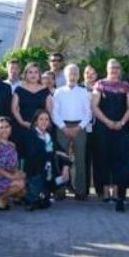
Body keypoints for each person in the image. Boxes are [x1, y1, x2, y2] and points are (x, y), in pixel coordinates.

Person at [91, 59, 129, 203]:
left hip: (121, 128)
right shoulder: (100, 84)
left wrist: (122, 122)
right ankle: (104, 193)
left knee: (119, 160)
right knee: (102, 159)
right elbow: (95, 106)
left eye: (116, 67)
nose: (114, 70)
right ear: (107, 69)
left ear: (120, 69)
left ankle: (118, 193)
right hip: (103, 128)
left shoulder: (125, 86)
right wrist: (108, 122)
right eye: (111, 67)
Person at [51, 64, 93, 199]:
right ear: (65, 74)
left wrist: (79, 127)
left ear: (79, 75)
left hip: (79, 127)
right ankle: (60, 190)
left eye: (75, 73)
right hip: (62, 126)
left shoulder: (83, 92)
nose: (73, 75)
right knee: (61, 159)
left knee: (80, 159)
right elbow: (54, 113)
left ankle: (81, 191)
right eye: (70, 72)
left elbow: (89, 113)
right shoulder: (58, 92)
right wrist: (63, 127)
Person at [23, 109, 71, 210]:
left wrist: (66, 167)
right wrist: (53, 152)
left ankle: (46, 191)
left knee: (44, 202)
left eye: (46, 119)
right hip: (36, 173)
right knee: (36, 202)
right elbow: (34, 155)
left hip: (49, 174)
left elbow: (63, 152)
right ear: (35, 121)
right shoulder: (30, 135)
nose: (44, 121)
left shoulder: (50, 136)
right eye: (41, 119)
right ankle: (33, 195)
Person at [0, 117, 27, 210]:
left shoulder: (12, 145)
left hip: (8, 175)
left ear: (11, 128)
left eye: (6, 127)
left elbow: (14, 164)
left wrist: (18, 173)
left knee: (25, 187)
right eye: (1, 127)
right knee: (20, 184)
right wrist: (11, 177)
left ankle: (9, 197)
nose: (4, 130)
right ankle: (0, 197)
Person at [11, 63, 53, 139]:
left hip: (41, 128)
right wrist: (22, 122)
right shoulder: (19, 89)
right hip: (22, 128)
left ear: (39, 74)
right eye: (30, 72)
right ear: (26, 74)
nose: (33, 75)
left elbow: (49, 110)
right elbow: (14, 109)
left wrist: (43, 124)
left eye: (36, 72)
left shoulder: (45, 90)